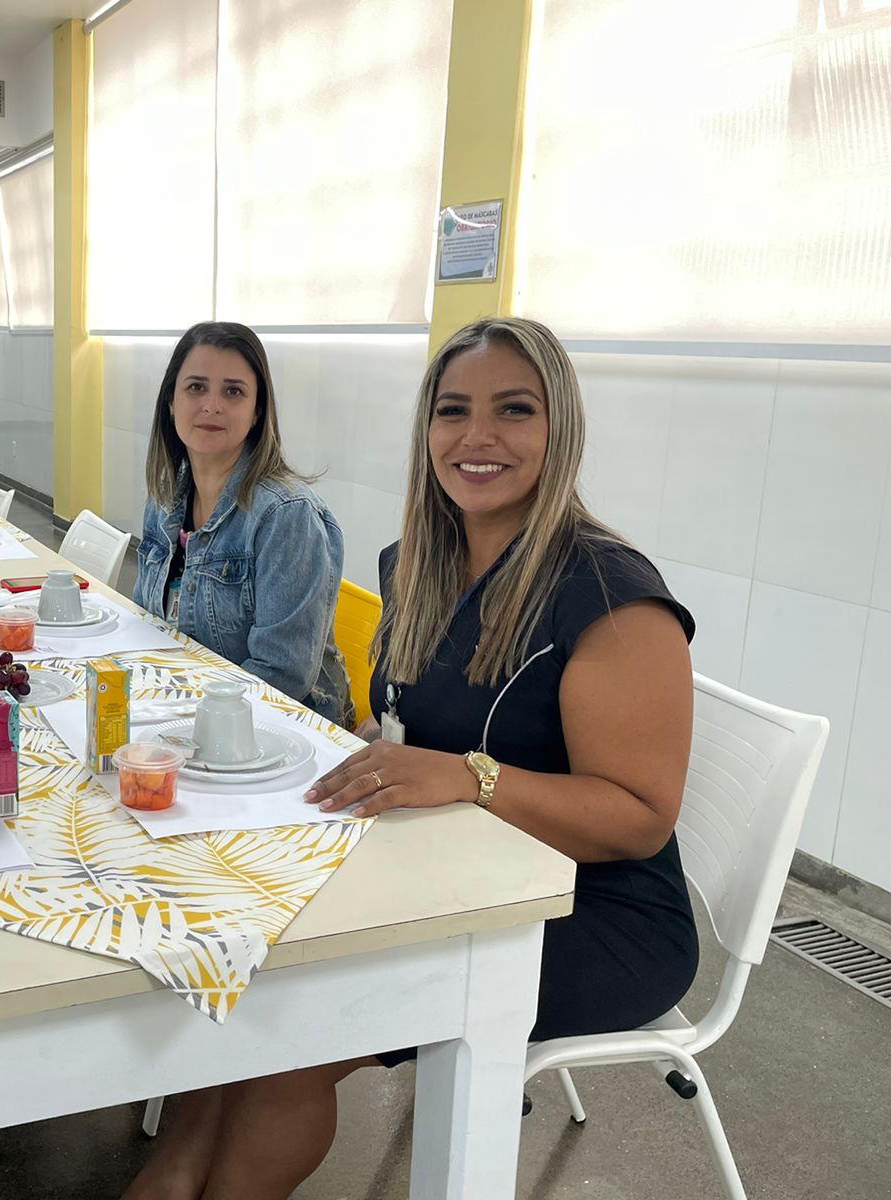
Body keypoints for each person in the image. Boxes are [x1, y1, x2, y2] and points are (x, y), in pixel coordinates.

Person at [124, 317, 700, 1200]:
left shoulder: (610, 596)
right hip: (450, 867)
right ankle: (168, 1184)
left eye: (515, 410)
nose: (477, 436)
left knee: (298, 1030)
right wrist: (363, 747)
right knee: (249, 974)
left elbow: (640, 817)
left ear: (561, 427)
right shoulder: (421, 564)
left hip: (587, 911)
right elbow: (399, 716)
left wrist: (469, 776)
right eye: (452, 411)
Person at [131, 321, 354, 728]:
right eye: (196, 387)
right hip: (179, 707)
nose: (212, 405)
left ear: (256, 413)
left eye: (233, 391)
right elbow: (146, 624)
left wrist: (175, 719)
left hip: (278, 731)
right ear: (171, 402)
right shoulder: (164, 501)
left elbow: (281, 675)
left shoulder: (286, 516)